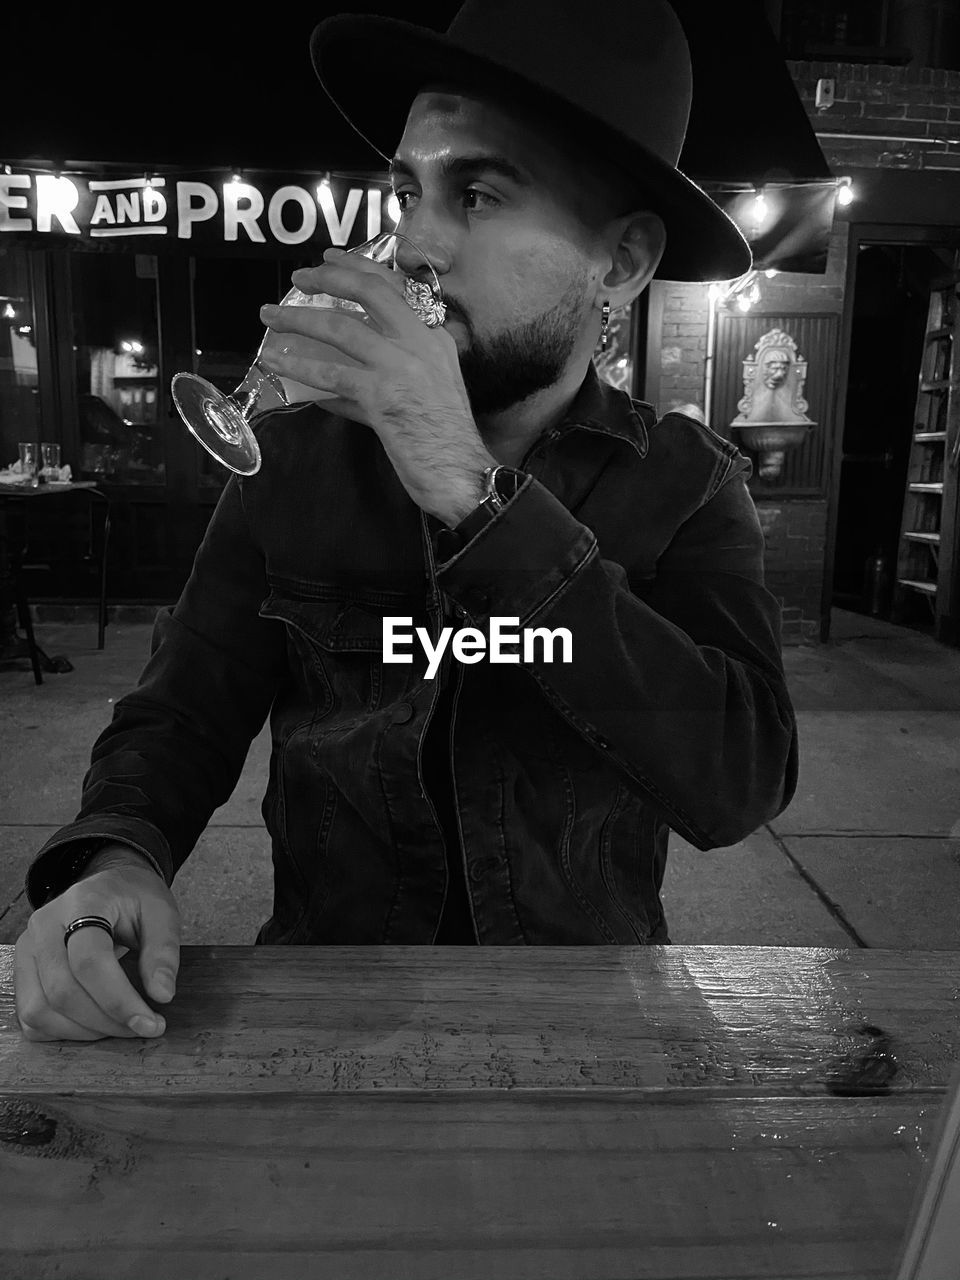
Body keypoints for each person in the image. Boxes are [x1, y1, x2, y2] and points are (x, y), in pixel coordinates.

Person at [14, 0, 799, 1043]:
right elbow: (180, 717)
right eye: (407, 190)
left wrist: (475, 496)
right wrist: (115, 861)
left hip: (586, 1030)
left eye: (477, 193)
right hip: (324, 1017)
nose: (413, 241)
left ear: (621, 261)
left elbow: (737, 782)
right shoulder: (295, 459)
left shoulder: (685, 484)